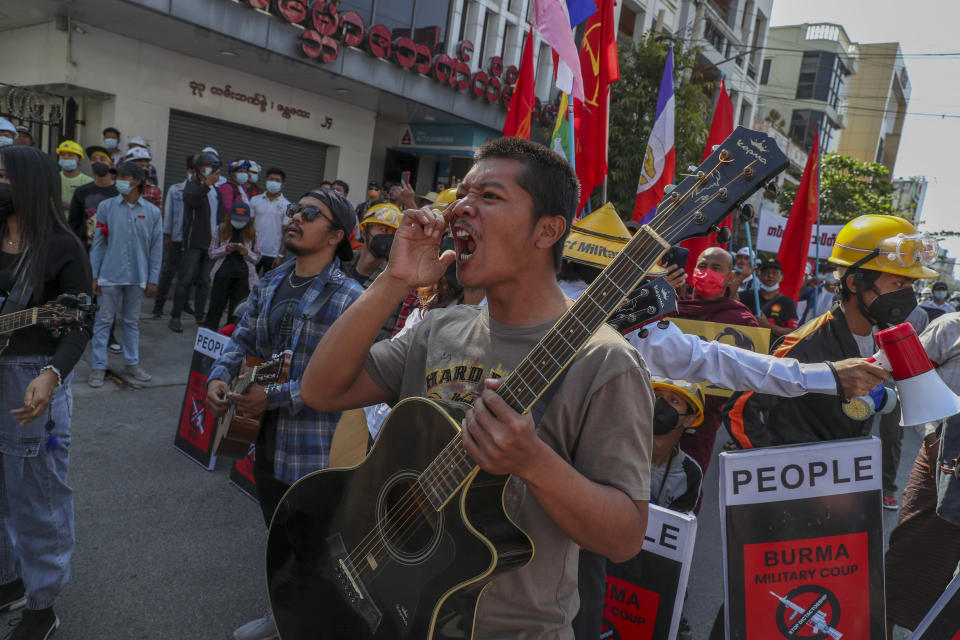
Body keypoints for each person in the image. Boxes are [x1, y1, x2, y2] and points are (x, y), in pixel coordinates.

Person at [302, 137, 654, 639]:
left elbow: (623, 538)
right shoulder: (441, 328)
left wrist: (532, 461)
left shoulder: (606, 361)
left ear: (548, 230)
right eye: (462, 193)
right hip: (393, 609)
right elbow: (320, 390)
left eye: (489, 196)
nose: (460, 206)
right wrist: (394, 280)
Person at [204, 188, 363, 640]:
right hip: (262, 433)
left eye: (310, 214)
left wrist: (273, 397)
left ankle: (313, 623)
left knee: (314, 542)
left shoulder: (351, 298)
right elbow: (244, 342)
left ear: (335, 234)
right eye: (295, 209)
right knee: (278, 530)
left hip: (314, 443)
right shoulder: (273, 280)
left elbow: (345, 379)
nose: (295, 217)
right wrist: (219, 376)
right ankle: (283, 614)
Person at [724, 214, 938, 449]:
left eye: (910, 285)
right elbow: (740, 410)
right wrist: (774, 463)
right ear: (854, 283)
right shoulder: (805, 342)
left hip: (847, 474)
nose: (907, 295)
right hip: (800, 478)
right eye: (898, 284)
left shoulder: (890, 339)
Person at [0, 145, 92, 640]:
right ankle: (8, 579)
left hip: (33, 379)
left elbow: (79, 325)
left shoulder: (63, 247)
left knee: (38, 495)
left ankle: (42, 603)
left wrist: (53, 373)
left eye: (2, 175)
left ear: (28, 183)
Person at [884, 312, 960, 636]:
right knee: (907, 563)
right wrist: (933, 438)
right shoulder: (950, 327)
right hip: (943, 457)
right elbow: (908, 377)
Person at [674, 246, 759, 477]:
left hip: (700, 423)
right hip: (653, 413)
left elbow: (742, 378)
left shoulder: (741, 321)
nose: (707, 272)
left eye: (716, 268)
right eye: (702, 266)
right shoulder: (672, 306)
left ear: (730, 277)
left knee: (685, 486)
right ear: (692, 272)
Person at [87, 161, 163, 386]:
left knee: (131, 322)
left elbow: (156, 249)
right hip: (110, 274)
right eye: (117, 176)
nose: (118, 180)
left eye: (123, 176)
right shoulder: (107, 207)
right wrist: (94, 275)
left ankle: (132, 364)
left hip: (138, 276)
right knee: (103, 321)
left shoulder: (152, 212)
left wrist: (153, 279)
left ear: (137, 181)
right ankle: (98, 367)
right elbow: (98, 244)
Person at [170, 151, 221, 333]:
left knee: (204, 281)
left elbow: (219, 215)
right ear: (199, 168)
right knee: (184, 280)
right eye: (208, 167)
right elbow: (191, 200)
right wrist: (206, 184)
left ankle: (200, 315)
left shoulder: (215, 190)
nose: (212, 171)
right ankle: (175, 316)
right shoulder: (193, 185)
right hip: (194, 242)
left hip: (211, 244)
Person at [341, 202, 403, 340]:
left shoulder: (393, 281)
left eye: (394, 234)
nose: (388, 238)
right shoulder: (340, 264)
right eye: (384, 230)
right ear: (364, 233)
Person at [205, 202, 260, 331]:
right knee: (215, 308)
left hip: (243, 278)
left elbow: (257, 258)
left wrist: (245, 252)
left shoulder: (253, 234)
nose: (239, 223)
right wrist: (226, 249)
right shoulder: (221, 229)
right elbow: (211, 253)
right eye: (236, 220)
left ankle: (230, 338)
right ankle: (209, 333)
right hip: (222, 274)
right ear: (230, 217)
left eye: (242, 220)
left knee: (236, 312)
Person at [152, 156, 193, 319]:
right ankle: (158, 306)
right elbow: (168, 213)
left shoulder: (207, 190)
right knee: (168, 273)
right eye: (191, 170)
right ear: (188, 171)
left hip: (194, 241)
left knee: (188, 276)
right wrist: (167, 235)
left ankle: (183, 304)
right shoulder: (176, 190)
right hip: (177, 238)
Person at [68, 146, 118, 250]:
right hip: (86, 250)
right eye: (94, 160)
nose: (97, 162)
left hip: (112, 250)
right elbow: (73, 224)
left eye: (102, 159)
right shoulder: (81, 192)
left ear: (112, 165)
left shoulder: (120, 192)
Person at [740, 257, 798, 337]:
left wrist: (766, 325)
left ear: (781, 277)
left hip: (772, 348)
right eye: (766, 272)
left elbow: (793, 332)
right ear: (759, 277)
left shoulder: (788, 302)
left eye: (774, 273)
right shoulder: (749, 295)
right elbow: (728, 298)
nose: (770, 275)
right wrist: (742, 276)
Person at [249, 168, 289, 275]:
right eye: (271, 179)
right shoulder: (254, 200)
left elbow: (287, 233)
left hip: (273, 254)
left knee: (268, 287)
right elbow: (248, 226)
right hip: (253, 252)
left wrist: (281, 255)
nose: (273, 182)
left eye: (277, 180)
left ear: (283, 184)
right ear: (266, 180)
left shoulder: (287, 206)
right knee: (248, 286)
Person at [55, 140, 92, 212]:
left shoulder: (89, 182)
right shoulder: (53, 178)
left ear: (80, 160)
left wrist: (70, 204)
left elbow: (91, 208)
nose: (65, 157)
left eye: (70, 155)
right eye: (62, 154)